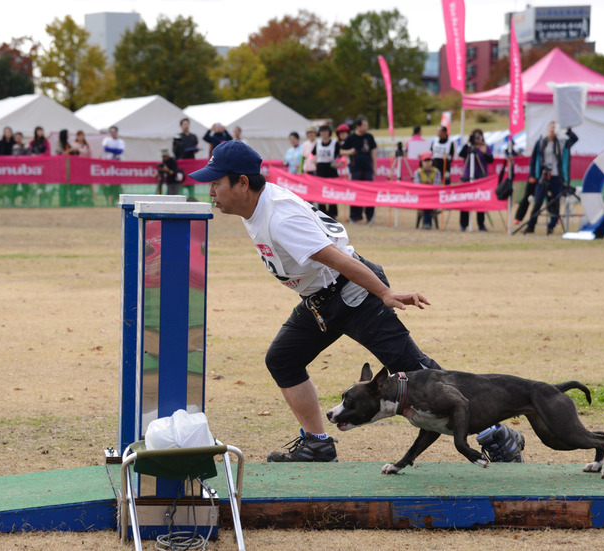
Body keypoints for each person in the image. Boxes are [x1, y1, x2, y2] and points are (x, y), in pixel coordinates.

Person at [190, 140, 525, 464]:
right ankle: (316, 445)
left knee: (416, 373)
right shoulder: (259, 209)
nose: (211, 191)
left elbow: (336, 258)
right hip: (322, 300)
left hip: (354, 294)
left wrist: (383, 293)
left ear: (242, 182)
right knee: (283, 359)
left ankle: (496, 436)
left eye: (216, 182)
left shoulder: (279, 217)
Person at [523, 121, 578, 236]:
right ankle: (531, 225)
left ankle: (551, 226)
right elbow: (533, 159)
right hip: (543, 176)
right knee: (538, 201)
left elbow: (574, 138)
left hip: (556, 176)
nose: (552, 130)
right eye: (551, 127)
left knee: (555, 203)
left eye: (555, 128)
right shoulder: (541, 142)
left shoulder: (562, 142)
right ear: (547, 129)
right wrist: (532, 175)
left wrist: (566, 129)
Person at [340, 116, 377, 225]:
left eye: (367, 126)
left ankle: (370, 216)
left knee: (369, 193)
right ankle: (355, 217)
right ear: (358, 126)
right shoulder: (351, 138)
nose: (366, 128)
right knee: (355, 192)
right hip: (355, 169)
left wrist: (374, 166)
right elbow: (341, 151)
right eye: (364, 126)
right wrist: (350, 152)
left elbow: (374, 151)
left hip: (367, 168)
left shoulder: (369, 137)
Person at [458, 128, 493, 232]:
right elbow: (461, 154)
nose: (477, 139)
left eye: (479, 136)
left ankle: (481, 224)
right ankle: (463, 224)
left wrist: (485, 152)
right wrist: (468, 143)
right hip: (468, 176)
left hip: (480, 176)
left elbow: (490, 160)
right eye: (475, 136)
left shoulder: (485, 147)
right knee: (465, 201)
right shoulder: (468, 147)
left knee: (480, 202)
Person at [313, 124, 340, 218]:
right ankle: (322, 212)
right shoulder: (318, 143)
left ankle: (333, 213)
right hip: (320, 170)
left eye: (325, 131)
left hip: (331, 170)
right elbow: (312, 154)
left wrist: (337, 163)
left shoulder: (334, 143)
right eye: (322, 131)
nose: (324, 133)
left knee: (332, 191)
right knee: (321, 191)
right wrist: (313, 160)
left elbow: (340, 155)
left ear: (329, 132)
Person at [413, 152, 441, 230]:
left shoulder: (436, 171)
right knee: (426, 202)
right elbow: (418, 186)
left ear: (432, 161)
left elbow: (436, 186)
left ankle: (427, 223)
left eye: (429, 160)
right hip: (421, 196)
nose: (427, 163)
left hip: (433, 196)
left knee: (429, 202)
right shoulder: (417, 172)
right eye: (425, 161)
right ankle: (427, 223)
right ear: (421, 162)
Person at [100, 126, 125, 206]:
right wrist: (115, 150)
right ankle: (108, 199)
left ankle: (115, 199)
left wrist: (110, 148)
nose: (113, 133)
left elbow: (120, 151)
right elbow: (105, 149)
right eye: (111, 132)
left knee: (117, 183)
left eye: (114, 132)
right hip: (108, 164)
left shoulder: (120, 141)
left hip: (117, 164)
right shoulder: (106, 140)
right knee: (107, 183)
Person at [0, 127, 17, 206]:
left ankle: (12, 201)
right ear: (4, 133)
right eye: (7, 132)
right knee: (2, 186)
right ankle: (1, 201)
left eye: (10, 132)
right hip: (2, 168)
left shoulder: (14, 143)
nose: (8, 133)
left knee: (12, 186)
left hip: (12, 168)